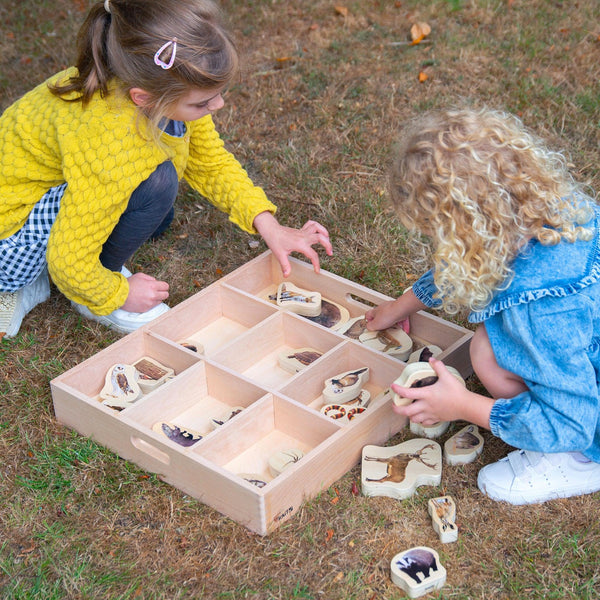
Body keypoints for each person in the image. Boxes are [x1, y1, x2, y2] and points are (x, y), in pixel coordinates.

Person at [0, 0, 332, 339]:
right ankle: (47, 287)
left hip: (53, 187)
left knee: (156, 212)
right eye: (203, 102)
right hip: (7, 233)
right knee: (157, 186)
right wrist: (116, 292)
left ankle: (73, 273)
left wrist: (269, 224)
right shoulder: (110, 144)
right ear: (144, 98)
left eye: (219, 94)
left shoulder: (153, 86)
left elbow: (210, 162)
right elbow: (68, 259)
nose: (218, 106)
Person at [365, 107, 600, 505]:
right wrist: (402, 306)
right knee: (487, 345)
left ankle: (578, 462)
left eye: (441, 236)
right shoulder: (554, 208)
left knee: (486, 355)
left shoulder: (540, 312)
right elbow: (468, 261)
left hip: (580, 419)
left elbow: (573, 420)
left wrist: (463, 405)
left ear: (473, 230)